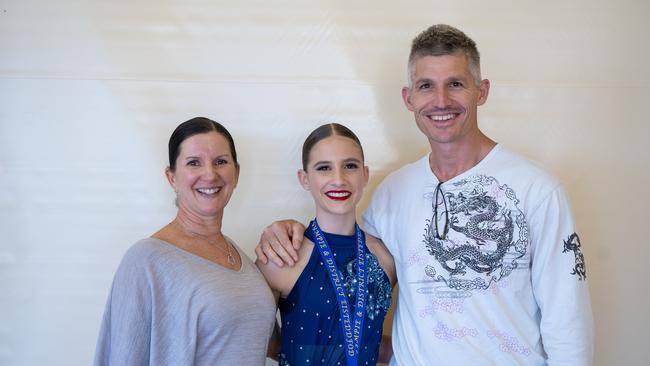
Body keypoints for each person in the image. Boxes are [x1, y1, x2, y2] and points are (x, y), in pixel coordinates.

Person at [256, 25, 594, 365]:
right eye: (426, 86)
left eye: (456, 84)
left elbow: (568, 323)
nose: (441, 101)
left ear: (482, 91)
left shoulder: (538, 190)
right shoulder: (392, 193)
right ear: (409, 98)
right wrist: (286, 230)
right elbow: (342, 268)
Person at [94, 117, 277, 365]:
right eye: (194, 163)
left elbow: (270, 345)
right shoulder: (146, 260)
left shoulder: (240, 258)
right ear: (172, 177)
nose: (210, 174)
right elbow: (123, 357)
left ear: (236, 172)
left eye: (221, 162)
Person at [257, 123, 396, 366]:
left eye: (350, 166)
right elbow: (262, 340)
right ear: (305, 178)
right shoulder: (282, 256)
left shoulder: (386, 257)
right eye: (324, 168)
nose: (339, 179)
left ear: (364, 175)